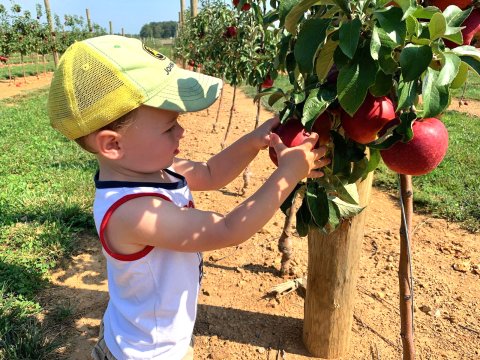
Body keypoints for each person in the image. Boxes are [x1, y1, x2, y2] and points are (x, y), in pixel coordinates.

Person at [47, 35, 330, 360]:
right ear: (112, 145)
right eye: (169, 127)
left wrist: (254, 141)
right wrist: (288, 174)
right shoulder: (134, 213)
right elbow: (227, 229)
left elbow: (211, 172)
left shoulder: (153, 168)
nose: (182, 132)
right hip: (147, 354)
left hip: (147, 334)